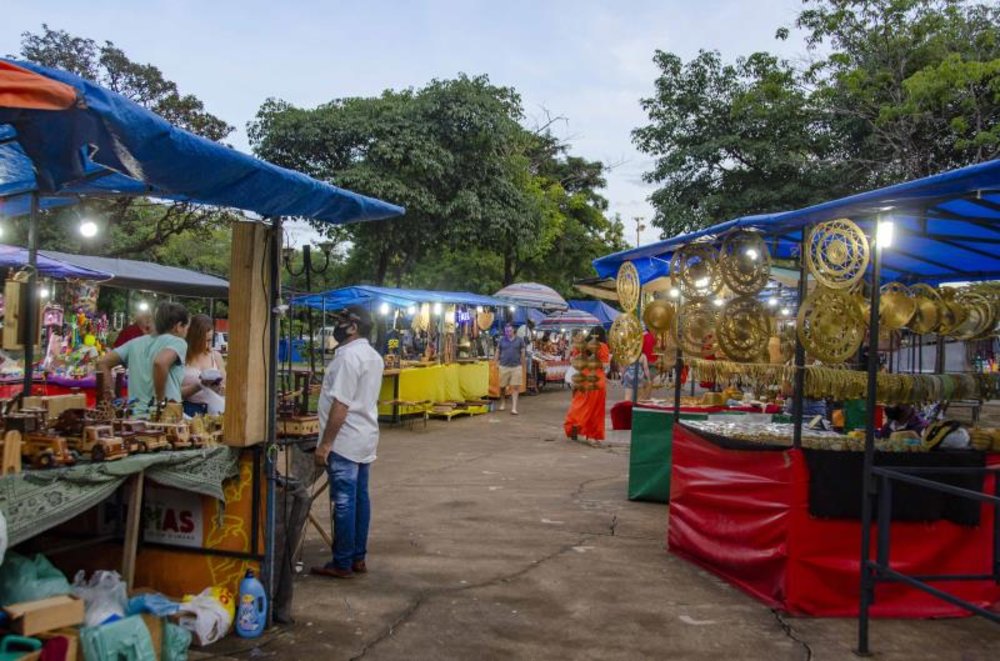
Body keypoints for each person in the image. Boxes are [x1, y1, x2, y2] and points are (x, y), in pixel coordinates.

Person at [311, 306, 384, 579]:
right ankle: (358, 557)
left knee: (343, 501)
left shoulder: (348, 358)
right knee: (359, 500)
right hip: (364, 438)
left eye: (341, 322)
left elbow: (341, 405)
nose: (337, 327)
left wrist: (325, 444)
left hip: (344, 440)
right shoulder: (373, 357)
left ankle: (342, 562)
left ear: (353, 327)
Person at [98, 302, 190, 418]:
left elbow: (103, 363)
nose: (186, 332)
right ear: (178, 326)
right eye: (186, 328)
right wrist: (160, 402)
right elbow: (160, 363)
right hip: (164, 419)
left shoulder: (134, 343)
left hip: (134, 419)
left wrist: (110, 398)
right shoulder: (178, 342)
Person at [564, 325, 610, 443]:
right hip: (597, 381)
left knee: (580, 405)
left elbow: (574, 359)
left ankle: (574, 426)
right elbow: (605, 365)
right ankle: (592, 436)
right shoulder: (603, 346)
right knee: (595, 409)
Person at [181, 314, 226, 414]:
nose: (207, 345)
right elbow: (174, 393)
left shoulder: (216, 356)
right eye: (203, 341)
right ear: (193, 338)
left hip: (214, 409)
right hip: (188, 410)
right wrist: (198, 385)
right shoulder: (182, 356)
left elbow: (224, 388)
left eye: (210, 340)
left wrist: (218, 388)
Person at [494, 323, 526, 415]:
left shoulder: (520, 340)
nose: (508, 333)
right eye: (506, 331)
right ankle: (503, 402)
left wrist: (523, 365)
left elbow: (523, 353)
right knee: (502, 387)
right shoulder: (501, 340)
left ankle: (514, 408)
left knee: (515, 387)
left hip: (516, 366)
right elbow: (497, 351)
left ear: (514, 330)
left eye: (510, 331)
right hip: (504, 366)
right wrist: (495, 362)